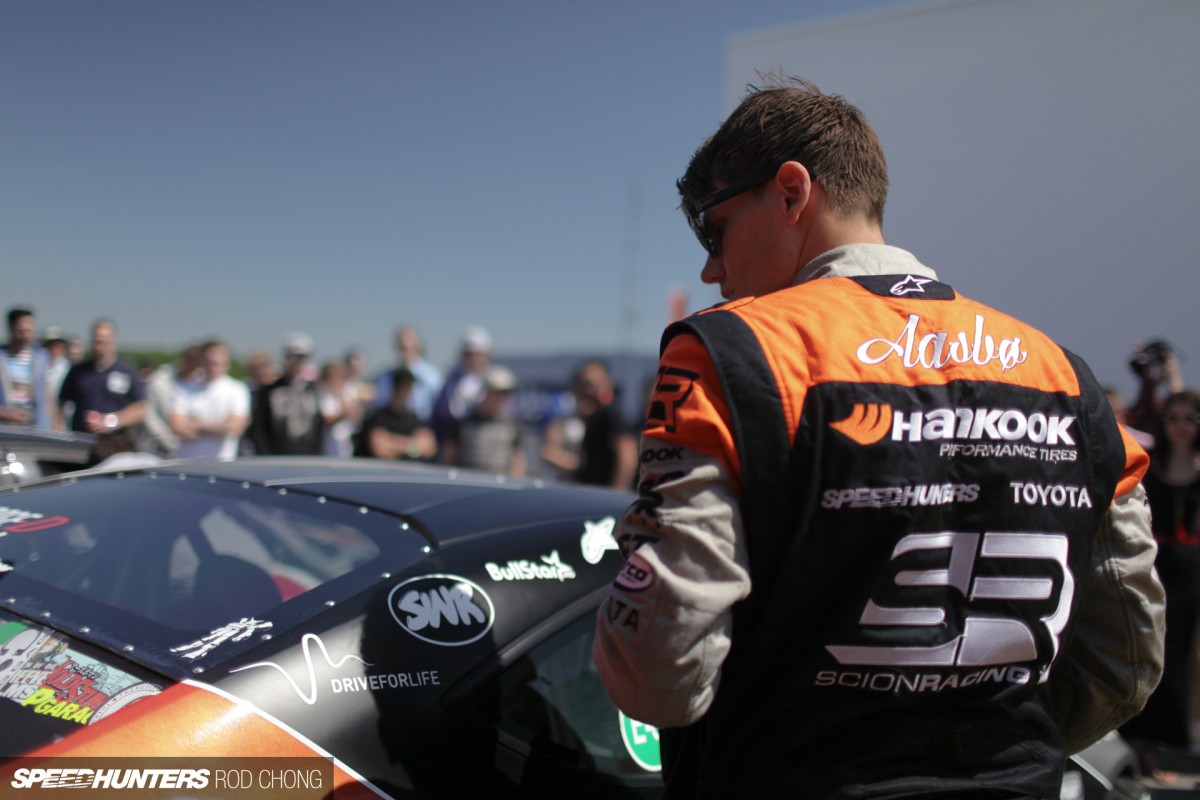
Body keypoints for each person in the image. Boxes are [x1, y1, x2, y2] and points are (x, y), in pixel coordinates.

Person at [593, 78, 1165, 799]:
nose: (711, 269)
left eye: (715, 228)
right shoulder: (1065, 376)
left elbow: (659, 672)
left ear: (791, 193)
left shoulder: (734, 353)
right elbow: (1127, 661)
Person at [1121, 389, 1200, 755]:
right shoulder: (1151, 463)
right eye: (1173, 418)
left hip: (1192, 567)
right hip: (1156, 561)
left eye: (1189, 419)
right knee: (1149, 643)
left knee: (1184, 653)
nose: (1180, 426)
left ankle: (1179, 738)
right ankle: (1146, 739)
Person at [58, 318, 145, 436]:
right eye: (96, 341)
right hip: (81, 439)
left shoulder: (126, 373)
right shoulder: (78, 372)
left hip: (113, 441)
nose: (99, 346)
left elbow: (140, 408)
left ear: (113, 341)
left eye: (104, 342)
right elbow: (60, 403)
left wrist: (111, 422)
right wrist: (60, 427)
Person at [558, 359, 637, 489]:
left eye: (591, 384)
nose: (587, 390)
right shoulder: (590, 418)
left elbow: (627, 457)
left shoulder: (611, 415)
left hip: (606, 495)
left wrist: (616, 494)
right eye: (581, 384)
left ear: (608, 383)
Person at [169, 340, 251, 461]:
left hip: (222, 464)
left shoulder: (237, 389)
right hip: (187, 463)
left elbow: (234, 427)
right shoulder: (184, 388)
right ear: (201, 361)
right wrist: (218, 427)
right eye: (209, 361)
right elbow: (177, 427)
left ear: (227, 363)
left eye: (217, 362)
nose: (213, 366)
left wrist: (198, 425)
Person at [441, 364, 525, 477]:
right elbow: (449, 456)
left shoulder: (513, 426)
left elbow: (517, 462)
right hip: (467, 481)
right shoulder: (464, 424)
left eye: (506, 394)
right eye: (498, 393)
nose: (502, 399)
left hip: (499, 484)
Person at [249, 333, 325, 456]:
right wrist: (265, 456)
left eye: (302, 358)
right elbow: (259, 429)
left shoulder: (313, 392)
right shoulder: (270, 391)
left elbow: (318, 429)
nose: (297, 362)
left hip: (307, 457)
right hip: (277, 457)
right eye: (292, 357)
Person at [355, 367, 436, 461]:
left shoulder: (413, 419)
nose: (410, 391)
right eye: (407, 386)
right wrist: (414, 446)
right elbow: (380, 449)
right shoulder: (378, 417)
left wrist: (393, 442)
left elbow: (429, 448)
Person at [430, 326, 493, 447]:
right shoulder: (451, 382)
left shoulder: (494, 382)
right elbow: (441, 415)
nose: (473, 359)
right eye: (469, 354)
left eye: (478, 354)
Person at [140, 343, 203, 458]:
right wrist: (172, 444)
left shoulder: (201, 381)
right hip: (157, 450)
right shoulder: (160, 380)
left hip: (192, 451)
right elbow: (151, 417)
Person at [0, 307, 58, 430]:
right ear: (11, 328)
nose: (26, 334)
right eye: (22, 330)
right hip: (4, 429)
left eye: (29, 329)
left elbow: (48, 397)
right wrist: (6, 414)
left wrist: (56, 425)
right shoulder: (2, 357)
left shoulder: (41, 359)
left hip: (34, 429)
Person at [374, 326, 441, 422]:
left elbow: (438, 410)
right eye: (399, 348)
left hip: (422, 426)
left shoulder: (432, 377)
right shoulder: (383, 378)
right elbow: (378, 405)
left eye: (405, 348)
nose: (402, 353)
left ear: (417, 347)